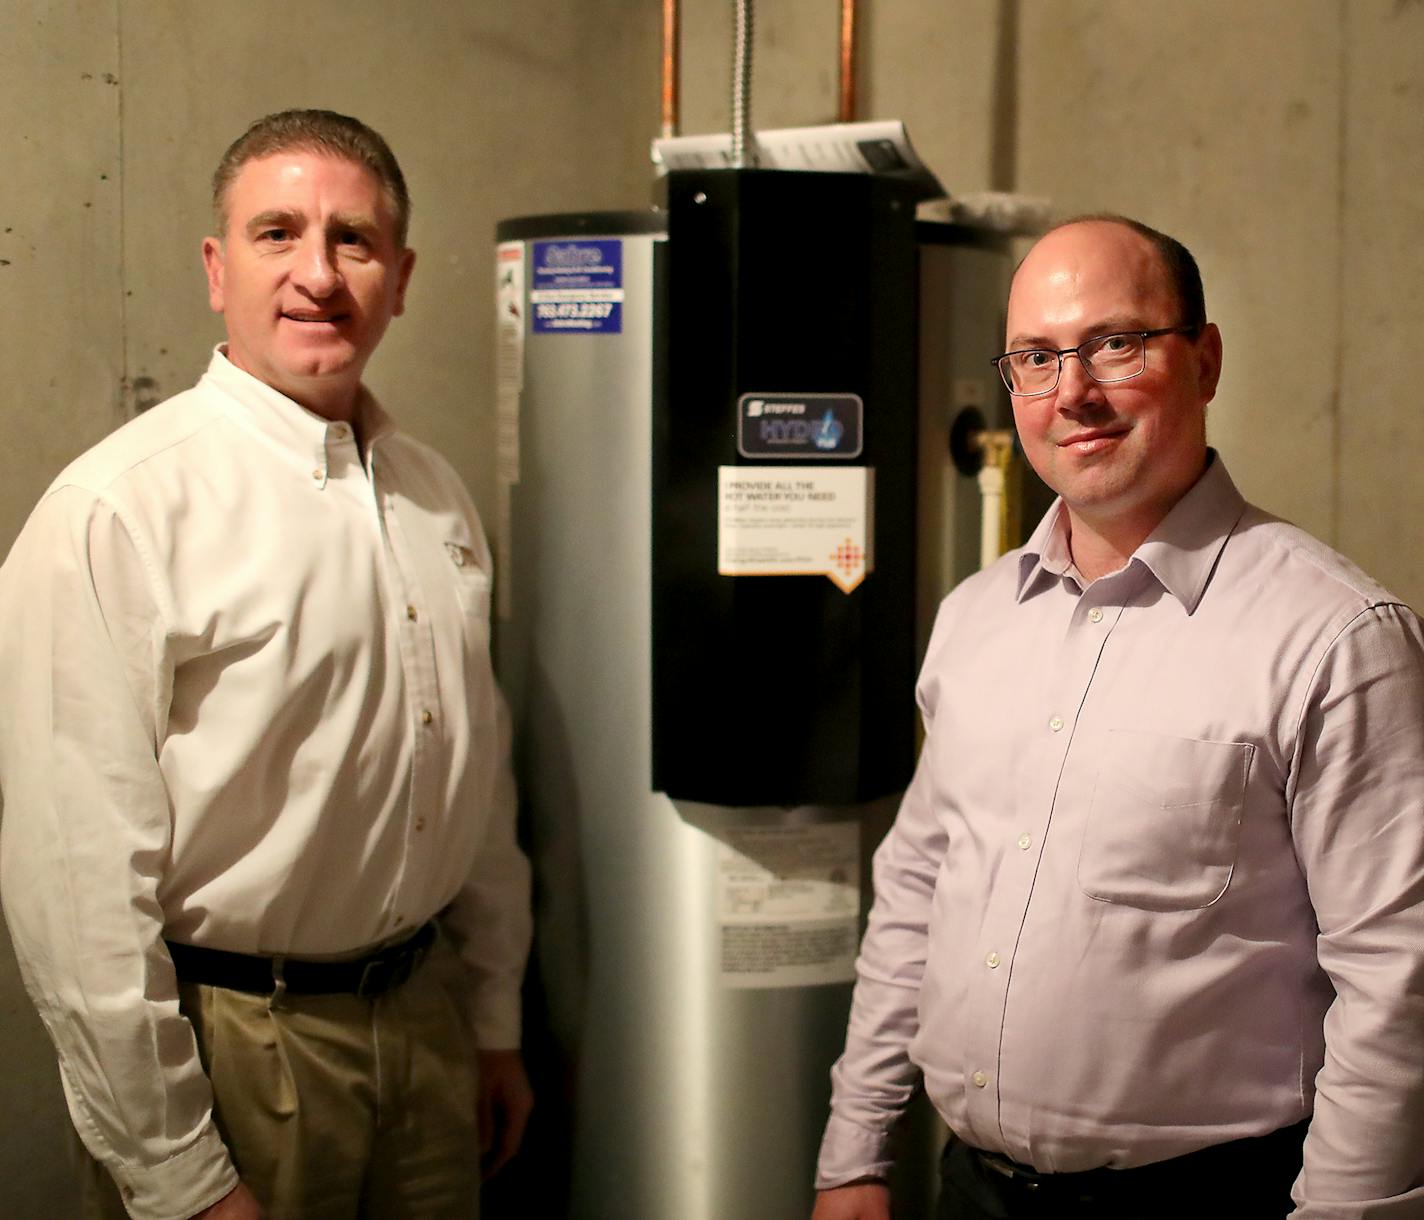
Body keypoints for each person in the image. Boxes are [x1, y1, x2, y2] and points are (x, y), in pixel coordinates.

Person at [812, 216, 1424, 1219]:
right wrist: (852, 1153)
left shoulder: (1334, 638)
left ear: (1205, 358)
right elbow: (916, 891)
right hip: (967, 1189)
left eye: (1114, 343)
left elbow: (1394, 977)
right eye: (1036, 357)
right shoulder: (973, 620)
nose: (1072, 393)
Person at [0, 110, 532, 1220]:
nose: (317, 274)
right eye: (276, 232)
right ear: (215, 267)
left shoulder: (435, 495)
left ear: (400, 276)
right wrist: (176, 1171)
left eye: (354, 240)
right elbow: (76, 883)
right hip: (237, 1049)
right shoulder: (121, 509)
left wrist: (489, 1021)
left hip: (424, 1025)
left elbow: (474, 779)